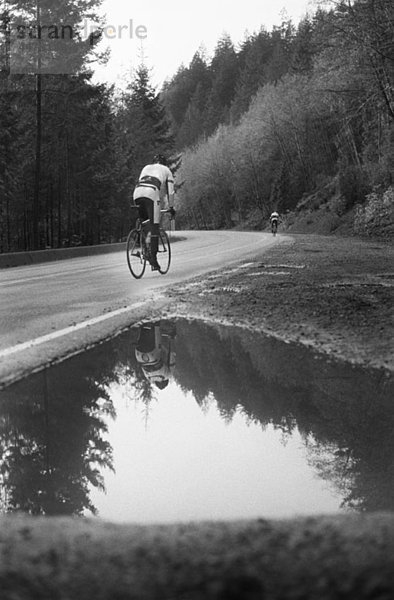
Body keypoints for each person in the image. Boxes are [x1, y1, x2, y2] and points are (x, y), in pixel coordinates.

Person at [133, 154, 175, 270]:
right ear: (164, 163)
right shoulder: (166, 170)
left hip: (137, 192)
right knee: (154, 225)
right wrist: (171, 208)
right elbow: (170, 192)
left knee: (145, 222)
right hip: (151, 192)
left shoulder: (146, 167)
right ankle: (153, 260)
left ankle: (140, 244)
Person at [135, 322, 176, 390]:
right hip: (139, 357)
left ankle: (156, 322)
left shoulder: (168, 375)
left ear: (165, 381)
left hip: (153, 357)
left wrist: (171, 338)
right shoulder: (148, 377)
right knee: (144, 329)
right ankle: (143, 323)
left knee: (156, 328)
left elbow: (171, 355)